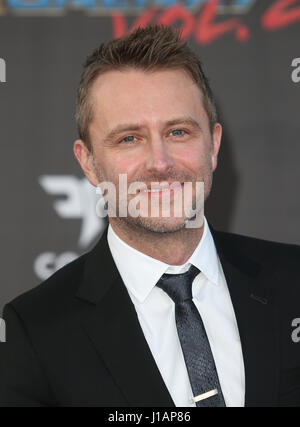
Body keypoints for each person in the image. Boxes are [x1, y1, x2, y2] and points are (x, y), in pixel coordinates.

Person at [0, 25, 299, 408]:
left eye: (178, 132)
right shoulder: (35, 333)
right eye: (129, 138)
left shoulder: (294, 282)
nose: (160, 163)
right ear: (89, 162)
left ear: (213, 145)